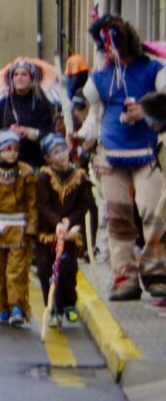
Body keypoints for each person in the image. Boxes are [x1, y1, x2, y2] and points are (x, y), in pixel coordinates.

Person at [78, 15, 166, 300]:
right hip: (111, 155)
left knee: (153, 211)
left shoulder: (154, 70)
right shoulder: (100, 79)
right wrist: (81, 137)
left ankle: (155, 273)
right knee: (117, 217)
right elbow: (94, 117)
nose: (109, 50)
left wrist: (146, 111)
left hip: (147, 152)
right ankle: (124, 276)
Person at [0, 130, 37, 327]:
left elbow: (32, 202)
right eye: (7, 149)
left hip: (18, 227)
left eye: (15, 149)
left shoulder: (26, 172)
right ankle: (2, 307)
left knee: (17, 270)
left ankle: (17, 307)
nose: (12, 153)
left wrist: (32, 226)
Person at [35, 133, 91, 328]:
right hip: (47, 234)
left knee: (68, 269)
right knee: (45, 270)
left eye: (63, 150)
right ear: (48, 158)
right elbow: (43, 205)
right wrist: (57, 222)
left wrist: (69, 221)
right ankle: (52, 308)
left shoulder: (79, 176)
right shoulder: (43, 177)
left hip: (69, 233)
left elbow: (84, 204)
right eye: (55, 152)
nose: (61, 155)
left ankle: (69, 302)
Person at [0, 59, 56, 172]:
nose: (19, 77)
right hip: (6, 167)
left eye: (24, 74)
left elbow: (50, 135)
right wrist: (8, 136)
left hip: (34, 163)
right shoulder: (2, 105)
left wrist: (29, 132)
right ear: (11, 79)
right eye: (16, 74)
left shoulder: (41, 105)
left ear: (32, 78)